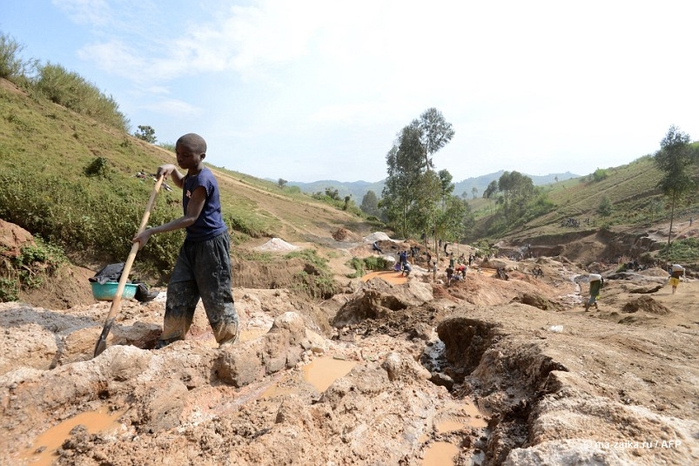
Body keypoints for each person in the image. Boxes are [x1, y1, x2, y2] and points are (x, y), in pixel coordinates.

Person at [132, 133, 239, 348]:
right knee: (179, 289)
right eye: (178, 154)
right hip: (192, 244)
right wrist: (172, 169)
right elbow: (182, 183)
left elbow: (190, 218)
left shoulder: (203, 180)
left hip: (211, 245)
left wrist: (150, 231)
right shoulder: (191, 174)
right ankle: (171, 341)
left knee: (216, 294)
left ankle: (229, 343)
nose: (181, 158)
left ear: (201, 156)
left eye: (186, 155)